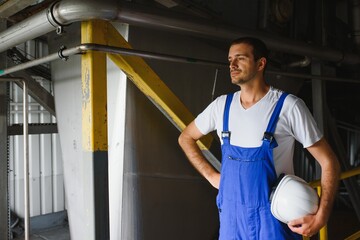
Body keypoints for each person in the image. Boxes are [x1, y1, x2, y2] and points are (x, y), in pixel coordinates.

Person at [178, 37, 340, 239]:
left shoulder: (288, 106)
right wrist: (212, 176)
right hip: (231, 222)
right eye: (230, 59)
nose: (232, 65)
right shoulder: (221, 107)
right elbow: (186, 138)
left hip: (272, 223)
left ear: (260, 63)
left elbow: (329, 162)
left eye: (240, 58)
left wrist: (322, 215)